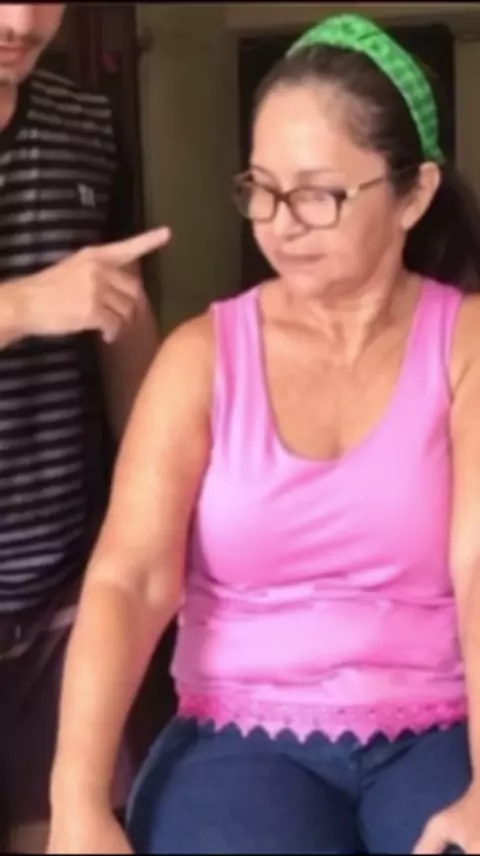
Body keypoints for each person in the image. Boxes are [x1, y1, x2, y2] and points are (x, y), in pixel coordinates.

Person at [48, 12, 480, 855]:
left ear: (414, 193)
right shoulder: (201, 358)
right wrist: (77, 804)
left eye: (317, 194)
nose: (280, 223)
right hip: (239, 736)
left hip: (436, 726)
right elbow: (129, 581)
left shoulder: (462, 346)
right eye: (261, 188)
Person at [0, 4, 169, 853]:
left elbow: (120, 317)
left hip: (61, 593)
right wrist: (22, 306)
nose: (23, 19)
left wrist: (162, 506)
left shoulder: (87, 126)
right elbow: (50, 301)